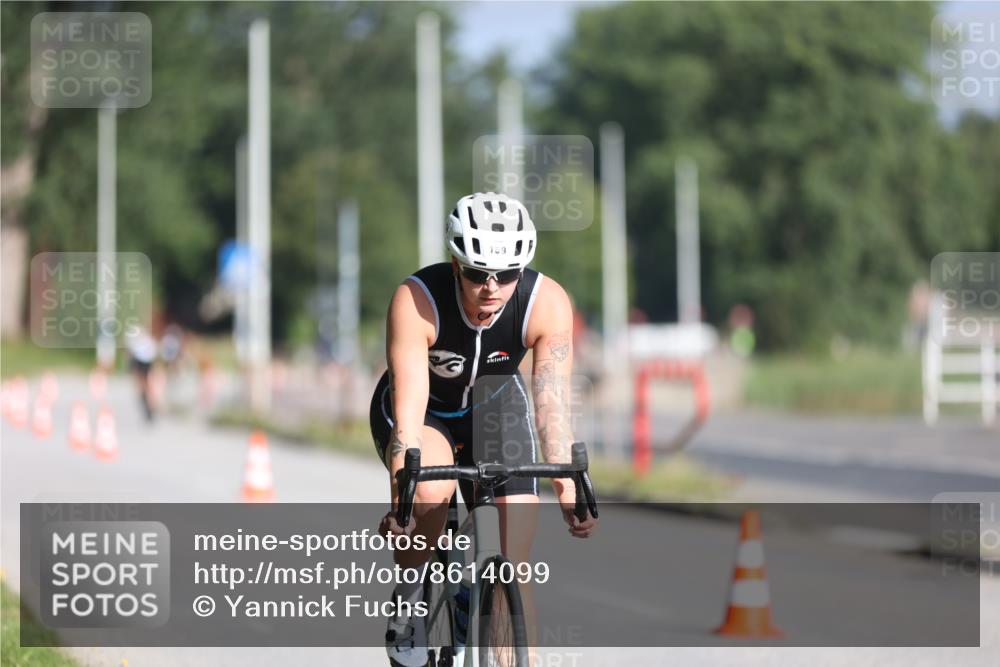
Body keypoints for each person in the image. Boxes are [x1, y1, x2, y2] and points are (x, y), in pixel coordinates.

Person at [371, 192, 598, 666]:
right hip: (425, 411)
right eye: (477, 273)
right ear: (456, 263)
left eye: (508, 274)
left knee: (515, 564)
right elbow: (409, 414)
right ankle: (411, 597)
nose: (492, 288)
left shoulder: (548, 303)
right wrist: (402, 499)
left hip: (495, 407)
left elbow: (551, 404)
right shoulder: (417, 300)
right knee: (431, 495)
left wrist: (566, 484)